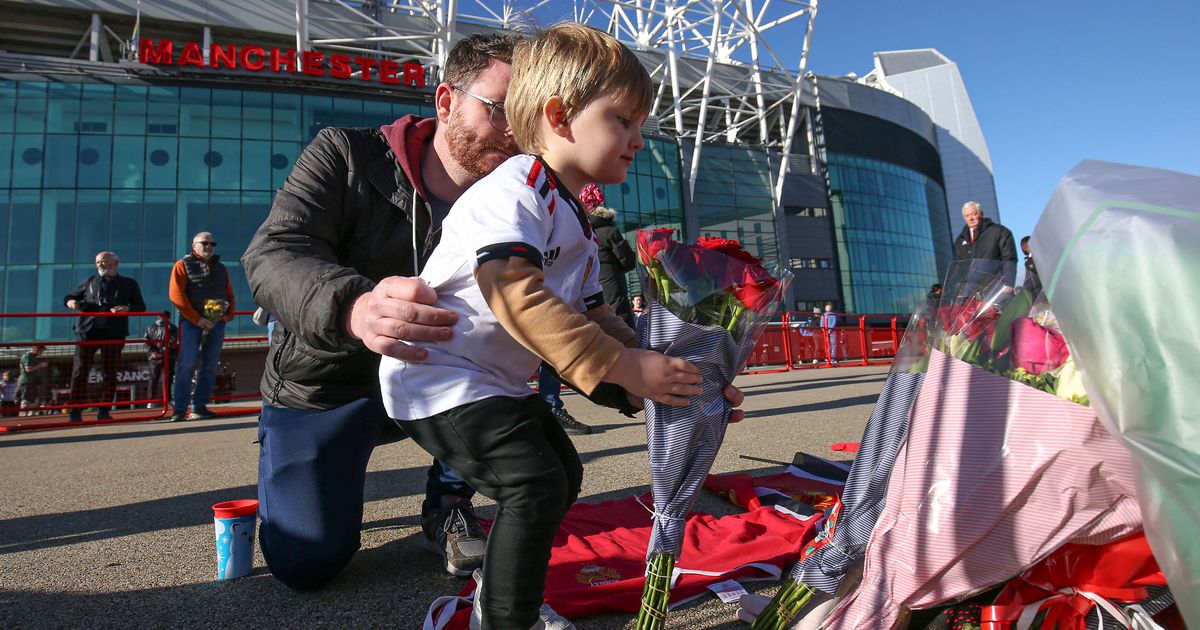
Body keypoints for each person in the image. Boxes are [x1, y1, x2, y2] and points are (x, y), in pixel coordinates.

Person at [377, 23, 704, 629]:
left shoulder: (573, 217)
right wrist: (624, 367)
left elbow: (594, 316)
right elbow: (513, 292)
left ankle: (498, 594)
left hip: (490, 381)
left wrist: (665, 381)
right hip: (437, 376)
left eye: (640, 123)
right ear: (560, 116)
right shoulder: (515, 189)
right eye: (623, 120)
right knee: (532, 485)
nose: (638, 138)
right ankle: (507, 618)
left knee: (561, 473)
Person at [241, 34, 519, 589]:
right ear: (446, 102)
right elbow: (273, 254)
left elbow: (569, 299)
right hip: (328, 382)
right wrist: (356, 307)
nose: (516, 132)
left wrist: (652, 370)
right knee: (307, 563)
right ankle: (292, 463)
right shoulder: (345, 153)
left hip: (446, 383)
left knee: (521, 404)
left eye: (529, 116)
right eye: (500, 111)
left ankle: (448, 499)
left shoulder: (520, 194)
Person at [63, 251, 146, 421]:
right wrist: (72, 303)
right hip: (87, 331)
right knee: (80, 370)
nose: (99, 265)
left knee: (110, 371)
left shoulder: (129, 283)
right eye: (97, 262)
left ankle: (104, 410)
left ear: (115, 263)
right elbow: (69, 297)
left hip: (114, 332)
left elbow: (141, 306)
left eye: (103, 261)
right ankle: (75, 410)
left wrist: (127, 309)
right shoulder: (89, 281)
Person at [169, 232, 235, 422]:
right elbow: (176, 295)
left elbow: (229, 295)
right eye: (204, 243)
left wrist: (225, 317)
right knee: (186, 364)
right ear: (194, 245)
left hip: (217, 323)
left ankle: (199, 406)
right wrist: (196, 319)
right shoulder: (182, 265)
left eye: (212, 243)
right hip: (191, 323)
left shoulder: (221, 269)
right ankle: (180, 408)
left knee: (210, 365)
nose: (209, 246)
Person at [581, 183, 638, 327]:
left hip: (590, 289)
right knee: (623, 326)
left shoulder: (582, 233)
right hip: (613, 288)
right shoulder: (609, 231)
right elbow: (629, 262)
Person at [952, 201, 1017, 286]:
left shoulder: (999, 232)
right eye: (967, 216)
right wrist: (957, 289)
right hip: (970, 291)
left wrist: (1008, 283)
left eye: (973, 214)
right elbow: (958, 267)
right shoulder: (960, 241)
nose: (970, 218)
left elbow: (1009, 259)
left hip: (996, 287)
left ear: (981, 214)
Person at [144, 312, 179, 408]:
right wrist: (162, 351)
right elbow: (173, 342)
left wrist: (152, 352)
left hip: (155, 357)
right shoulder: (172, 328)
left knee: (153, 379)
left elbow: (147, 342)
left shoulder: (150, 327)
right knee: (167, 379)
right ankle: (167, 400)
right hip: (168, 356)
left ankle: (151, 401)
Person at [17, 344, 49, 416]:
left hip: (32, 381)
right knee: (25, 400)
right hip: (27, 381)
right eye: (41, 351)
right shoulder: (28, 356)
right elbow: (28, 369)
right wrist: (40, 365)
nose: (42, 352)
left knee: (33, 399)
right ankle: (23, 416)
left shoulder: (33, 357)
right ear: (36, 349)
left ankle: (31, 415)